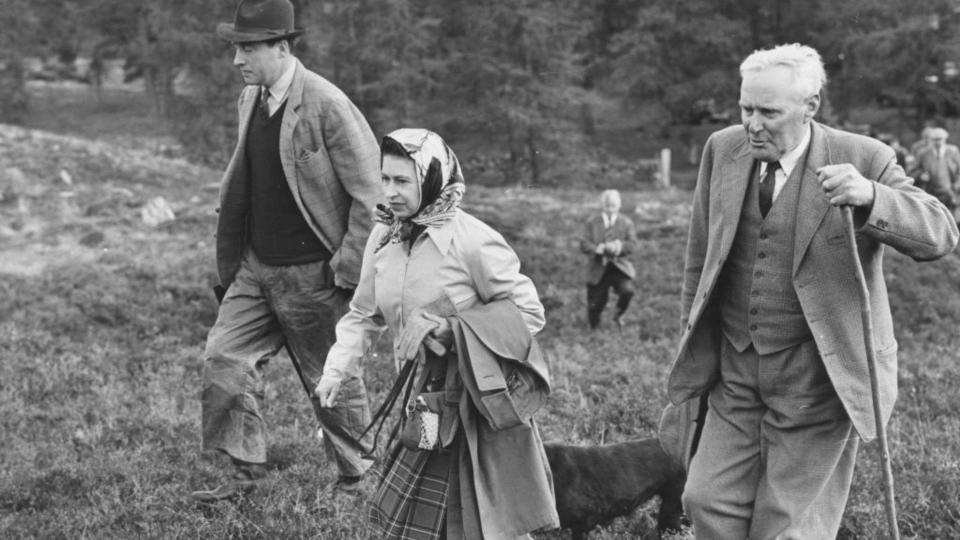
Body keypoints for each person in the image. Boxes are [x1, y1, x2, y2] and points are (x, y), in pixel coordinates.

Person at [662, 43, 958, 539]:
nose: (753, 124)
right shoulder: (723, 149)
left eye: (768, 112)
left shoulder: (864, 157)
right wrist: (693, 345)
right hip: (736, 369)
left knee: (787, 525)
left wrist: (872, 197)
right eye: (746, 108)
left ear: (811, 107)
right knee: (706, 498)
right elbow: (700, 258)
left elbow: (941, 233)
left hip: (818, 377)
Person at [315, 129, 559, 539]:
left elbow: (530, 314)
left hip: (477, 403)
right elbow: (362, 313)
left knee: (483, 523)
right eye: (385, 179)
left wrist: (452, 328)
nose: (390, 192)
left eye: (402, 181)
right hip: (424, 402)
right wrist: (335, 371)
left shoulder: (473, 241)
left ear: (431, 178)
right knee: (417, 523)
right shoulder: (385, 235)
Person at [190, 0, 382, 502]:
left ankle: (358, 480)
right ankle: (245, 476)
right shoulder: (250, 99)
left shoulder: (327, 104)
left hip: (315, 274)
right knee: (223, 360)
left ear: (282, 47)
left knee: (332, 380)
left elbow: (372, 195)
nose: (237, 59)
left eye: (248, 47)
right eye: (236, 47)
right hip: (255, 268)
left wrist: (347, 267)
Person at [579, 189, 637, 330]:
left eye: (613, 206)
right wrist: (598, 248)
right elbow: (584, 243)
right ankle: (594, 330)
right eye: (607, 206)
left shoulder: (626, 222)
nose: (610, 209)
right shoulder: (592, 222)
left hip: (619, 267)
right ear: (602, 206)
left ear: (619, 205)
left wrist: (619, 247)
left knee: (627, 291)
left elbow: (632, 244)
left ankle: (618, 316)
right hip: (598, 267)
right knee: (595, 302)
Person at [909, 127, 960, 212]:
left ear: (945, 139)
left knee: (950, 217)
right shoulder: (923, 153)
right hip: (930, 192)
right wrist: (921, 175)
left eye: (940, 139)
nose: (937, 142)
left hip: (950, 192)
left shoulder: (953, 151)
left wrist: (956, 186)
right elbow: (912, 172)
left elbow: (959, 171)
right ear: (931, 140)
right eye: (935, 140)